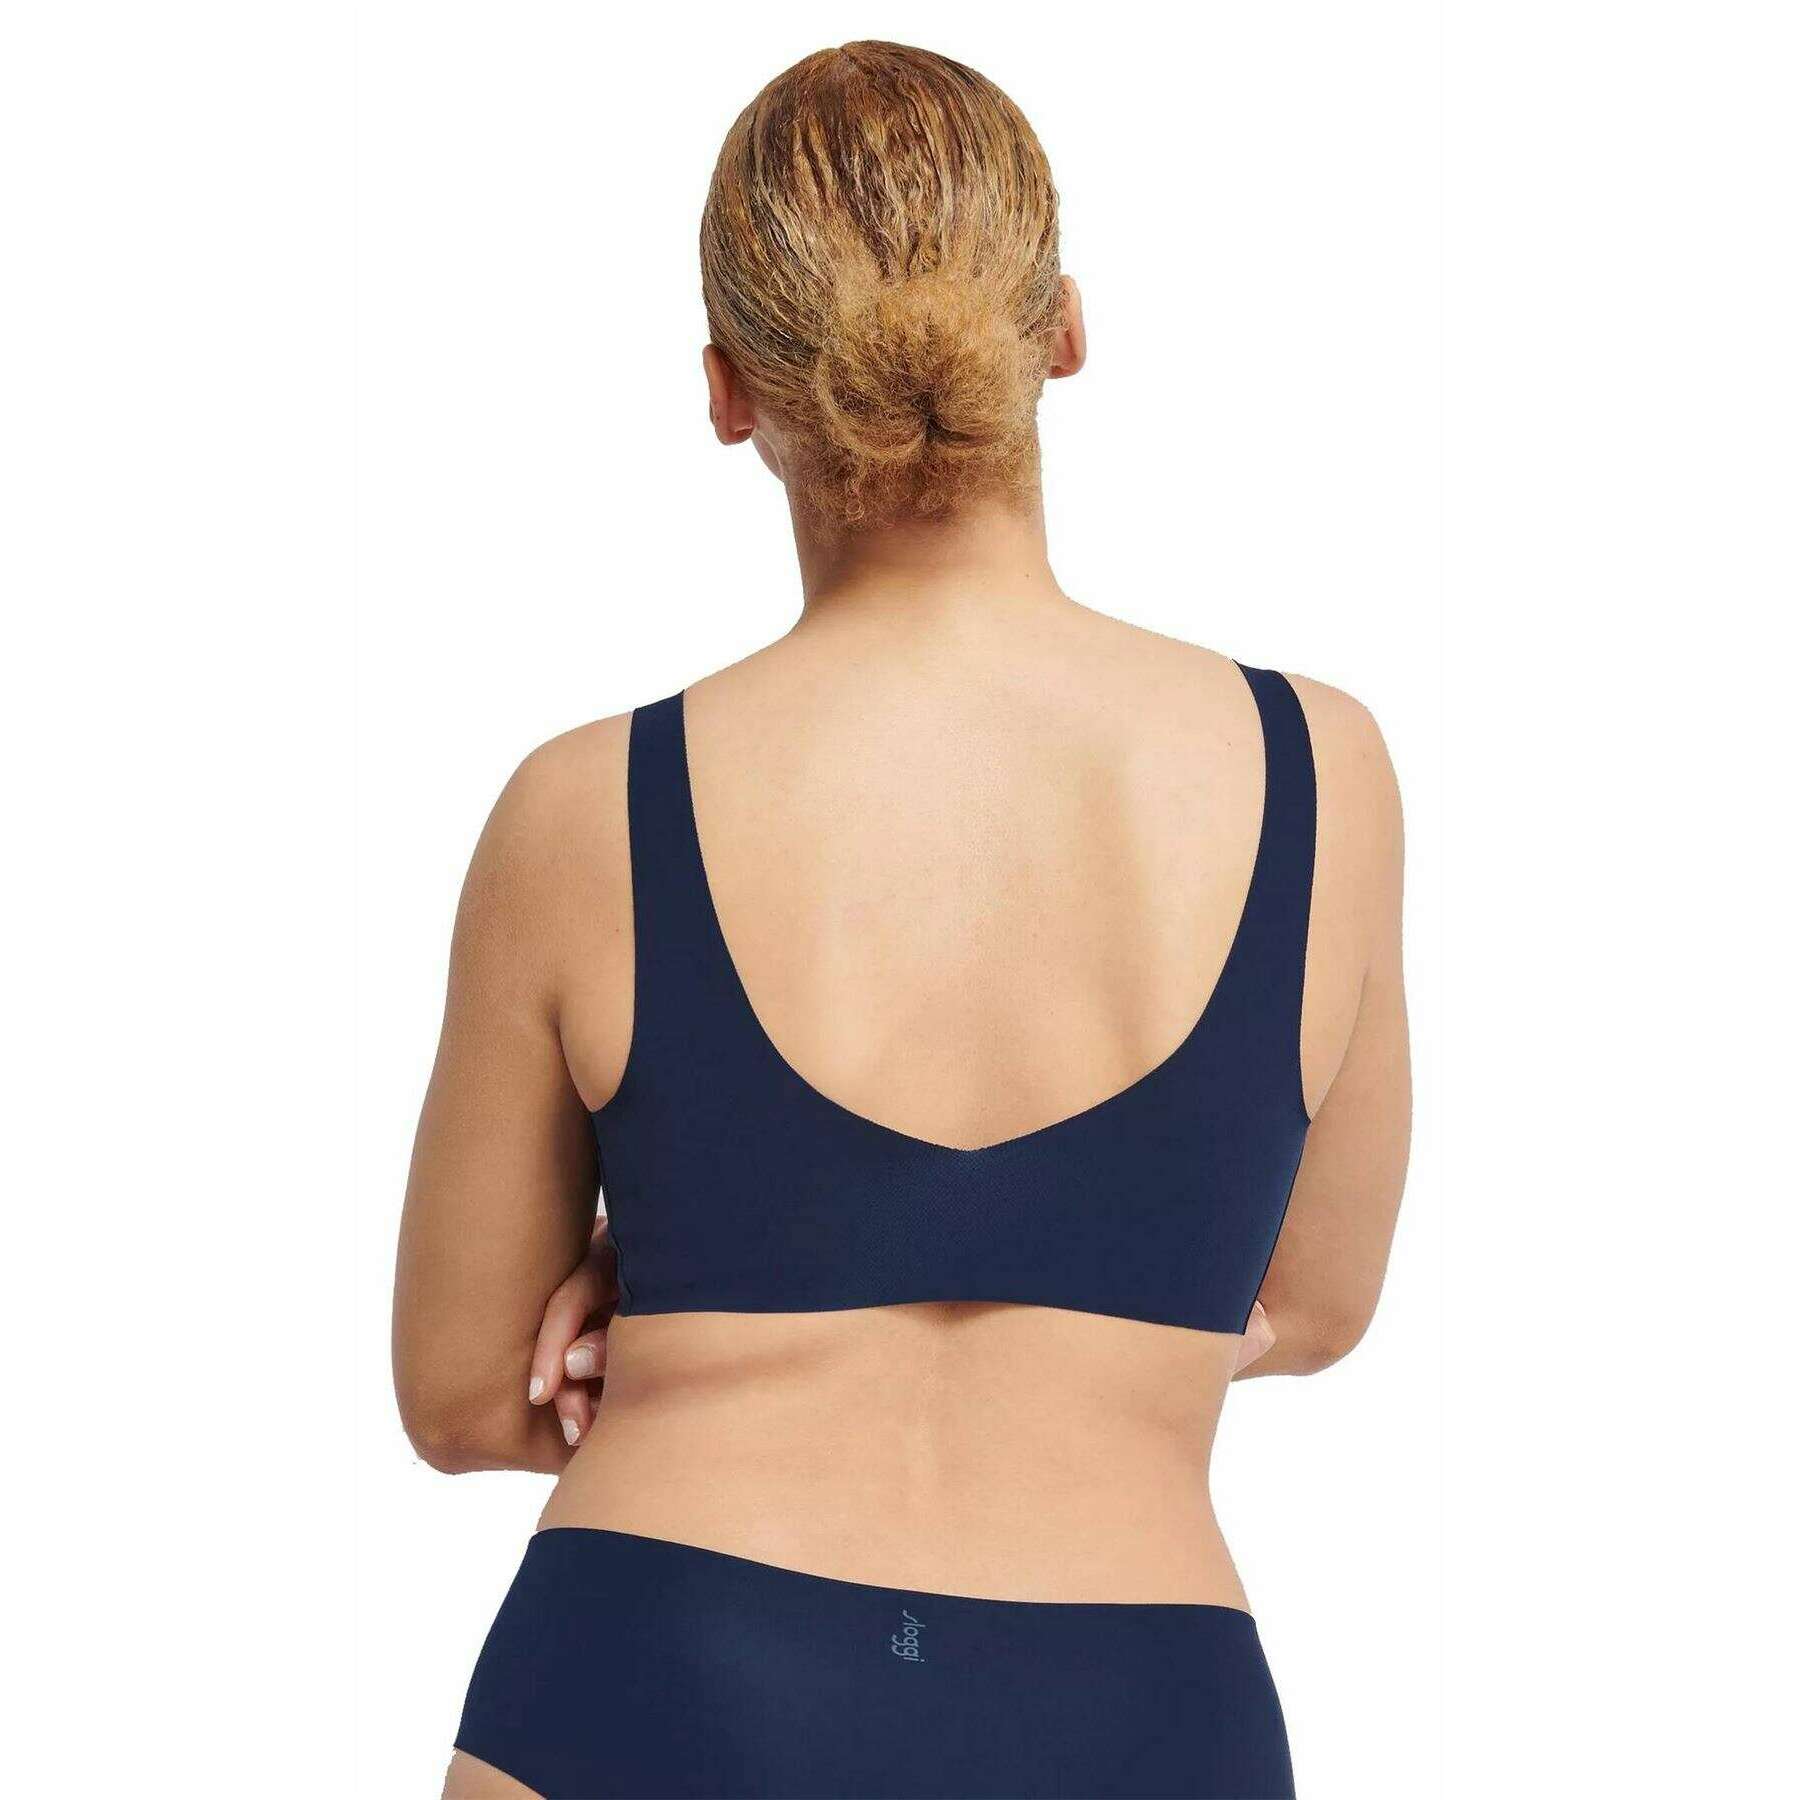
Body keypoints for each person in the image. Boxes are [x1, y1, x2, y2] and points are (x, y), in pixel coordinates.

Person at [394, 39, 1410, 1800]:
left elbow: (464, 1396)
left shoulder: (583, 808)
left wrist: (710, 1272)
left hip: (662, 1655)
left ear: (729, 392)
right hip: (1134, 1695)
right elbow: (1310, 1300)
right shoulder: (1320, 771)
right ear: (1062, 333)